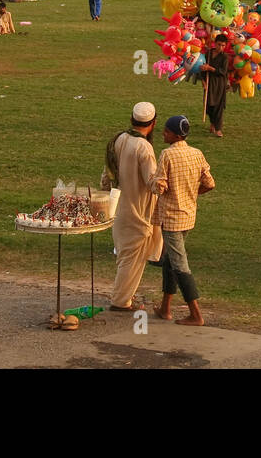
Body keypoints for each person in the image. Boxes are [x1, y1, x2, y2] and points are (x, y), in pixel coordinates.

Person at [151, 114, 215, 326]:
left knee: (179, 264)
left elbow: (160, 186)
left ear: (175, 135)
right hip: (189, 214)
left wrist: (151, 184)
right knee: (170, 260)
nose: (163, 133)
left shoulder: (167, 155)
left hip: (171, 218)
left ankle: (196, 314)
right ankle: (165, 308)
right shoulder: (197, 153)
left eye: (166, 131)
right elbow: (209, 183)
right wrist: (192, 194)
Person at [99, 102, 162, 312]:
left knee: (126, 255)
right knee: (131, 258)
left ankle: (125, 296)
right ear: (153, 124)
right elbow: (152, 181)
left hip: (118, 205)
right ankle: (120, 301)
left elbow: (106, 175)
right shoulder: (143, 147)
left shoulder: (119, 139)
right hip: (138, 209)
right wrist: (167, 181)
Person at [201, 33, 230, 137]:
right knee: (208, 106)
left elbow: (223, 71)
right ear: (214, 43)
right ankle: (212, 122)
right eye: (218, 45)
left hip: (219, 84)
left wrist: (210, 68)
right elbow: (202, 69)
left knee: (218, 106)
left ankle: (218, 129)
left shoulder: (225, 57)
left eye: (223, 45)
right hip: (208, 83)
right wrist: (203, 82)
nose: (220, 47)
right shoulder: (208, 54)